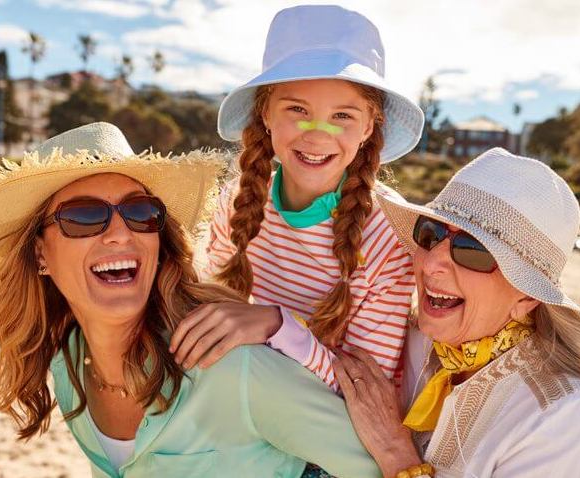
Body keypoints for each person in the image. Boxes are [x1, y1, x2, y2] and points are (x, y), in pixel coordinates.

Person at [0, 122, 382, 477]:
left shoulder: (230, 366)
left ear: (158, 237)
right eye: (84, 216)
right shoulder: (68, 364)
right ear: (40, 254)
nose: (119, 233)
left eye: (139, 212)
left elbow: (374, 468)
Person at [333, 148, 580, 477]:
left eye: (471, 249)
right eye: (431, 234)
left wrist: (395, 453)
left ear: (527, 297)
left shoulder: (562, 417)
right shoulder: (404, 337)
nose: (432, 261)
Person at [169, 5, 424, 392]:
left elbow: (368, 389)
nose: (317, 134)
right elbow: (211, 318)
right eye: (297, 109)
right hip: (248, 395)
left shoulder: (389, 236)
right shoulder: (237, 201)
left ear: (369, 127)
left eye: (342, 116)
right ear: (266, 114)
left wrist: (275, 324)